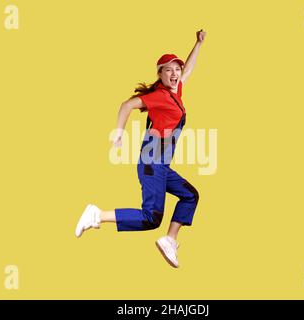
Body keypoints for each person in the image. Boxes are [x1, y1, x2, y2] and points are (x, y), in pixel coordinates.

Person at [75, 29, 207, 268]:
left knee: (190, 195)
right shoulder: (160, 96)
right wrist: (118, 132)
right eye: (169, 69)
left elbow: (188, 70)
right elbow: (127, 105)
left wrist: (198, 44)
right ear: (160, 74)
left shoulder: (174, 93)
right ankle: (97, 215)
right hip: (151, 162)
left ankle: (170, 239)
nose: (175, 73)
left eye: (176, 69)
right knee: (151, 218)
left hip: (161, 165)